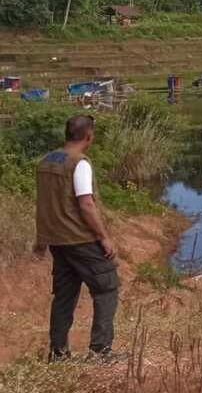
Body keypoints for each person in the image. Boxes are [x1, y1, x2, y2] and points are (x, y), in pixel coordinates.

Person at [33, 114, 121, 362]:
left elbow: (43, 203)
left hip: (57, 241)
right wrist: (103, 237)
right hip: (80, 239)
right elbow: (86, 204)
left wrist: (41, 240)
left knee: (64, 296)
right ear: (88, 136)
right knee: (107, 287)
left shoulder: (45, 161)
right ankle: (100, 351)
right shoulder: (79, 163)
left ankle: (58, 353)